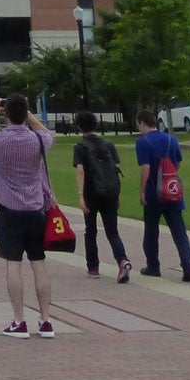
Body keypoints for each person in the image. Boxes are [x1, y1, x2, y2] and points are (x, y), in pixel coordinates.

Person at [0, 93, 57, 338]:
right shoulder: (37, 140)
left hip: (10, 211)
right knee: (38, 264)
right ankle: (46, 319)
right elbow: (49, 134)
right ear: (25, 113)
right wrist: (29, 116)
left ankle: (19, 321)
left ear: (6, 114)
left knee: (14, 265)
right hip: (36, 210)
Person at [135, 110, 190, 281]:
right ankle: (188, 266)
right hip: (172, 191)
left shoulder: (142, 142)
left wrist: (142, 190)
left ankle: (153, 266)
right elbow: (178, 162)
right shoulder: (171, 139)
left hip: (154, 193)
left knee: (151, 232)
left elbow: (145, 168)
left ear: (142, 123)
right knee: (179, 231)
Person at [71, 111, 131, 282]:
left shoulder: (80, 147)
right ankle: (122, 260)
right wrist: (117, 193)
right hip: (110, 191)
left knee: (90, 231)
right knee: (112, 232)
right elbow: (115, 169)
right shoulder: (109, 145)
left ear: (79, 127)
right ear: (96, 125)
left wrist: (81, 195)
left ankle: (93, 268)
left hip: (92, 193)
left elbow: (80, 170)